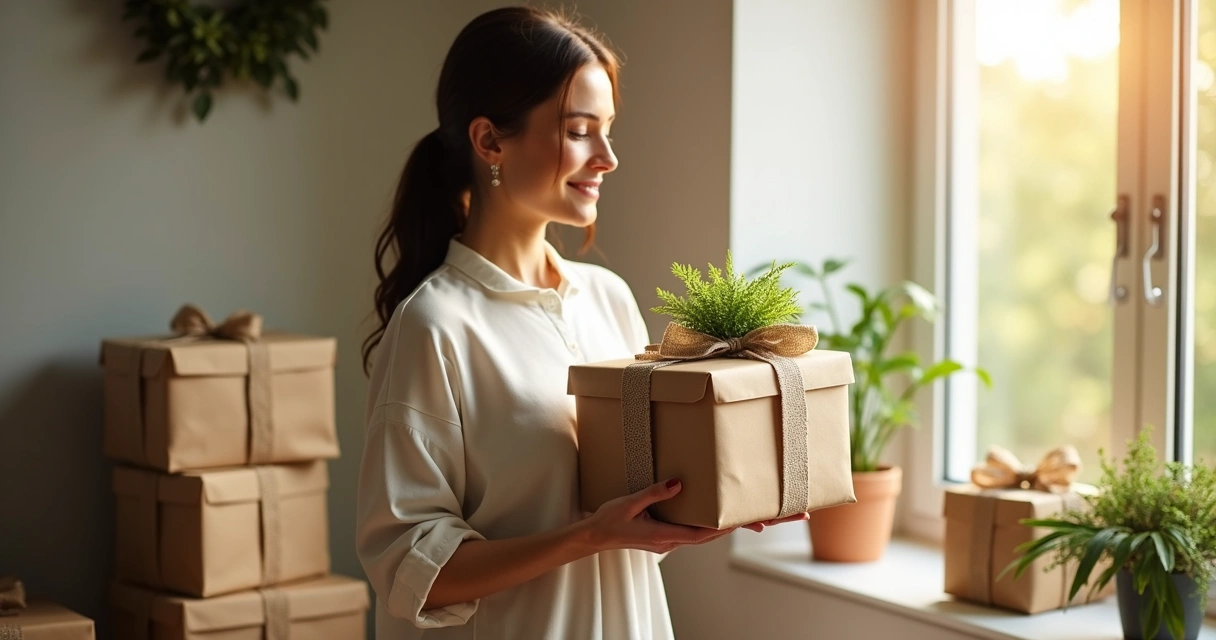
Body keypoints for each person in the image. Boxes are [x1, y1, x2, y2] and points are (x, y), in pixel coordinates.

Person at [354, 7, 808, 639]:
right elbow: (409, 566)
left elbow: (635, 497)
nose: (608, 158)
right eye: (579, 131)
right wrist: (590, 537)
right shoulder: (434, 327)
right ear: (490, 141)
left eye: (608, 131)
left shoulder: (608, 299)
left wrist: (718, 492)